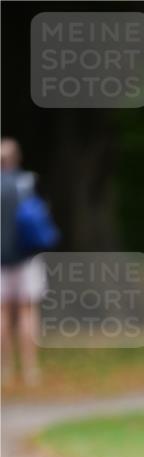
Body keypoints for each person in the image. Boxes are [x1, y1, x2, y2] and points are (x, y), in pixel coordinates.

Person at [1, 137, 48, 387]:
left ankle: (5, 369)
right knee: (28, 312)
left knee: (2, 315)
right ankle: (31, 370)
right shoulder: (27, 181)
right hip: (27, 257)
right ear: (16, 158)